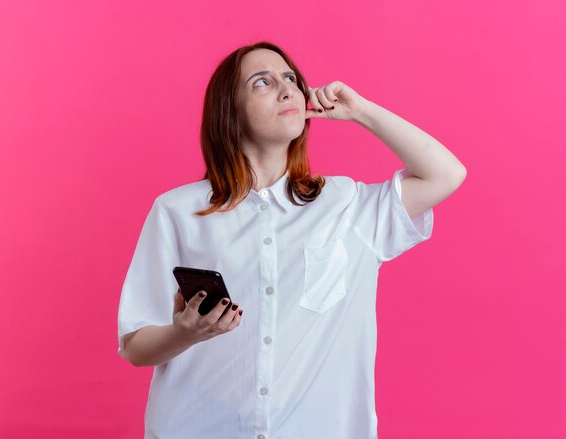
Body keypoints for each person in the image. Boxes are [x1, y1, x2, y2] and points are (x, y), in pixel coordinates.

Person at [117, 41, 466, 439]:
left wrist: (361, 112)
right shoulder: (177, 211)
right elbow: (135, 345)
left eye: (291, 79)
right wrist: (185, 333)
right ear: (229, 112)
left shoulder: (348, 205)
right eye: (261, 82)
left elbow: (446, 174)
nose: (287, 90)